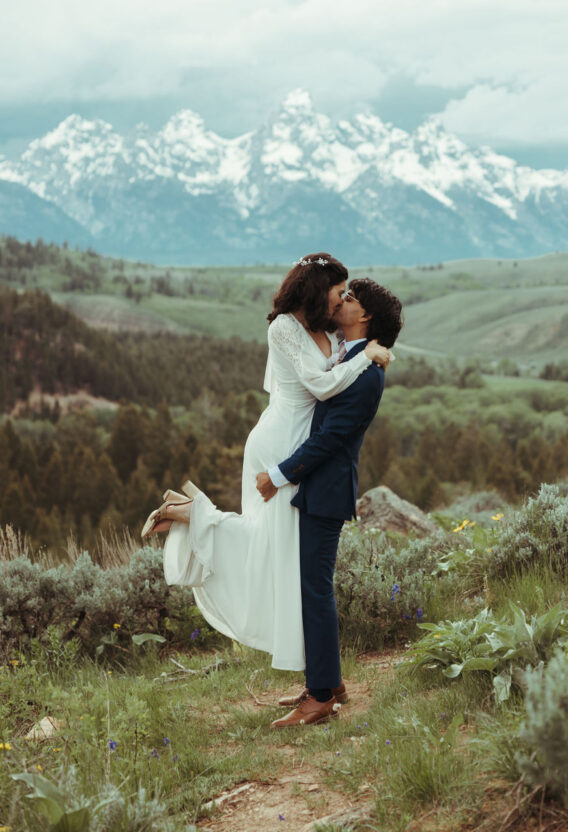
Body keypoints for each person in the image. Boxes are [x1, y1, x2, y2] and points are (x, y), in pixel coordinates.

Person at [141, 252, 390, 672]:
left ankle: (192, 513)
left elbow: (350, 348)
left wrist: (368, 350)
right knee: (269, 542)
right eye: (336, 291)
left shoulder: (325, 328)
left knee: (275, 547)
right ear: (317, 289)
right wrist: (368, 357)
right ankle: (194, 515)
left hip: (300, 440)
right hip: (279, 441)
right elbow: (321, 385)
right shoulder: (283, 329)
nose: (339, 300)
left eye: (344, 295)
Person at [256, 278, 404, 727]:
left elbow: (330, 440)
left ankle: (320, 698)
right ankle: (330, 681)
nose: (342, 301)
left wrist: (278, 476)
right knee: (312, 587)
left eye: (351, 298)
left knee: (315, 589)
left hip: (325, 490)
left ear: (366, 318)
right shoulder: (348, 353)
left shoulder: (367, 374)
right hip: (318, 488)